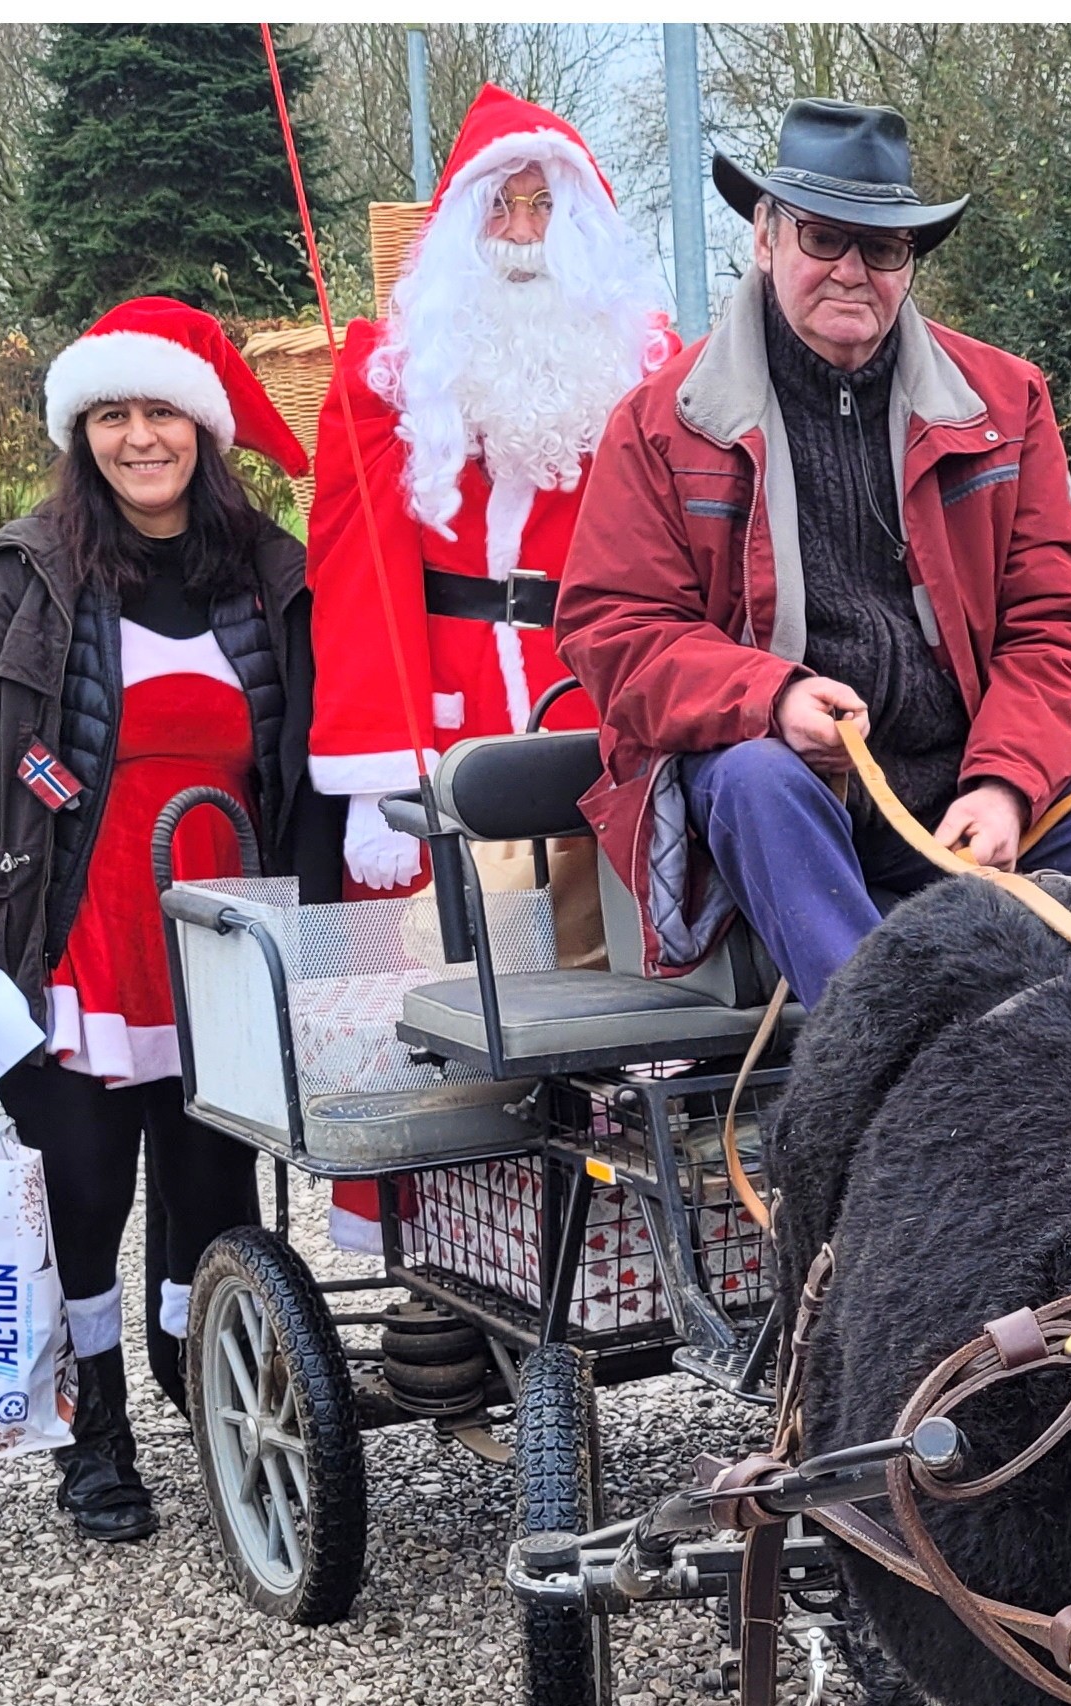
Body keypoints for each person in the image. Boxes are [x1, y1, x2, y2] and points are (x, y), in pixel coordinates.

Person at [557, 99, 1071, 1004]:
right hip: (789, 808)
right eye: (824, 238)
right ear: (765, 237)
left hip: (965, 794)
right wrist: (774, 695)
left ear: (909, 260)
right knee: (761, 778)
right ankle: (897, 1067)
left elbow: (1052, 628)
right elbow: (615, 632)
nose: (853, 271)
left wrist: (1003, 787)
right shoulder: (658, 422)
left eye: (883, 249)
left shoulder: (1006, 403)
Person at [0, 298, 321, 1542]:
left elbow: (305, 760)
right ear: (82, 432)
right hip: (76, 937)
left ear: (205, 428)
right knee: (82, 1194)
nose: (141, 439)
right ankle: (93, 1430)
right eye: (114, 416)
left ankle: (201, 1379)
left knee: (213, 1192)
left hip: (223, 943)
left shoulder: (269, 572)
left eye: (163, 414)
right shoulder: (21, 580)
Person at [304, 82, 677, 1253]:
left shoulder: (649, 370)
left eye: (542, 206)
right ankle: (439, 1243)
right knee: (439, 981)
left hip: (591, 691)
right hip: (443, 702)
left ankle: (598, 1233)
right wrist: (382, 770)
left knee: (609, 974)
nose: (521, 233)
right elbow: (354, 576)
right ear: (462, 228)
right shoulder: (383, 374)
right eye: (500, 209)